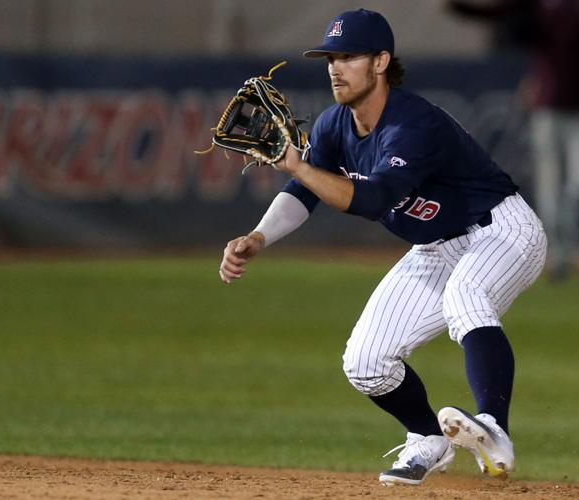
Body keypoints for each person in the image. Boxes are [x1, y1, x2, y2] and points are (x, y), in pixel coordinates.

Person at [217, 8, 547, 486]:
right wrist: (259, 236)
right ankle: (426, 438)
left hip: (500, 229)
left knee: (465, 298)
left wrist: (301, 167)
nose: (335, 66)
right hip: (436, 246)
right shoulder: (334, 125)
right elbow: (305, 192)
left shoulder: (413, 124)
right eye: (330, 57)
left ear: (380, 62)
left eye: (348, 56)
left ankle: (494, 427)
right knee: (366, 362)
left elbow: (372, 199)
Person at [445, 0, 579, 280]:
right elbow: (500, 12)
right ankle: (559, 255)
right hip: (549, 104)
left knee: (575, 187)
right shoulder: (540, 6)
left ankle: (569, 247)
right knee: (551, 187)